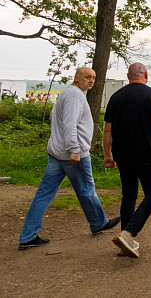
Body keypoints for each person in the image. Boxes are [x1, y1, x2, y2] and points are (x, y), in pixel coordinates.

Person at [19, 67, 120, 250]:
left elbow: (56, 120)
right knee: (87, 190)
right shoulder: (74, 96)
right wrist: (74, 150)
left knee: (44, 193)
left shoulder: (68, 93)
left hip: (57, 153)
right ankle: (99, 223)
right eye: (87, 77)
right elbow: (69, 125)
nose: (91, 81)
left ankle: (28, 236)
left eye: (93, 78)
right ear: (77, 77)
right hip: (72, 154)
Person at [103, 63, 151, 258]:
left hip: (122, 154)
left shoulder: (116, 96)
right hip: (146, 153)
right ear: (146, 75)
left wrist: (107, 154)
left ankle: (124, 242)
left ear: (128, 76)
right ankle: (128, 233)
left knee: (129, 195)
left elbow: (107, 129)